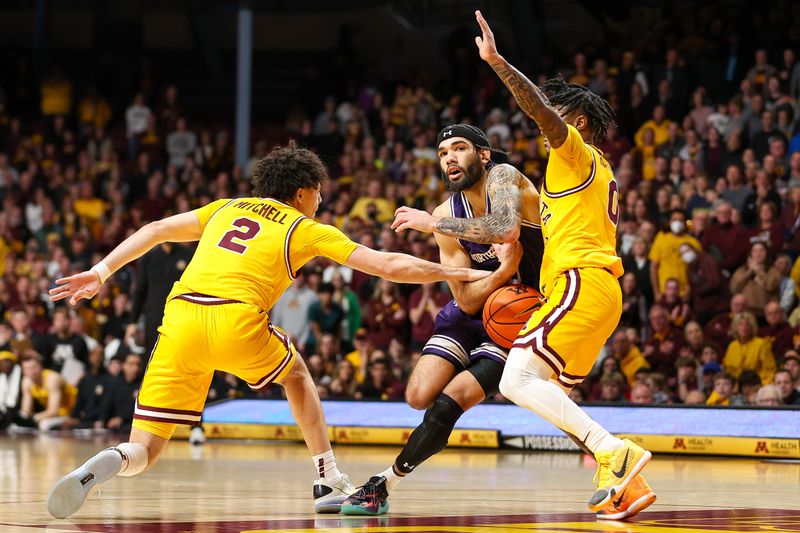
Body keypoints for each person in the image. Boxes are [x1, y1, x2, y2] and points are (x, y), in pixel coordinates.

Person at [45, 143, 490, 519]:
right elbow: (389, 265)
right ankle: (327, 480)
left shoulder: (226, 207)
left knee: (146, 450)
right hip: (235, 316)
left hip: (179, 320)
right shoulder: (305, 227)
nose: (321, 202)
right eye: (319, 193)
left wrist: (101, 272)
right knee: (296, 375)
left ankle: (117, 459)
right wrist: (460, 275)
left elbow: (157, 229)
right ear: (302, 193)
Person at [478, 10, 654, 518]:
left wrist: (497, 62)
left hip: (582, 281)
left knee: (515, 382)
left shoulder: (575, 154)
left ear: (576, 122)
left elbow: (538, 109)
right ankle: (627, 484)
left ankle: (616, 452)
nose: (545, 117)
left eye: (557, 112)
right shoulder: (593, 171)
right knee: (551, 394)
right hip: (594, 291)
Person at [343, 122, 541, 516]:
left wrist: (433, 225)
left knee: (450, 403)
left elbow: (505, 227)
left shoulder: (504, 177)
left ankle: (383, 484)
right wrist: (501, 274)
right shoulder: (446, 213)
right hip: (478, 310)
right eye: (443, 152)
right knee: (417, 396)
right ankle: (441, 424)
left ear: (482, 154)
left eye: (460, 148)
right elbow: (466, 301)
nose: (450, 157)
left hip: (520, 315)